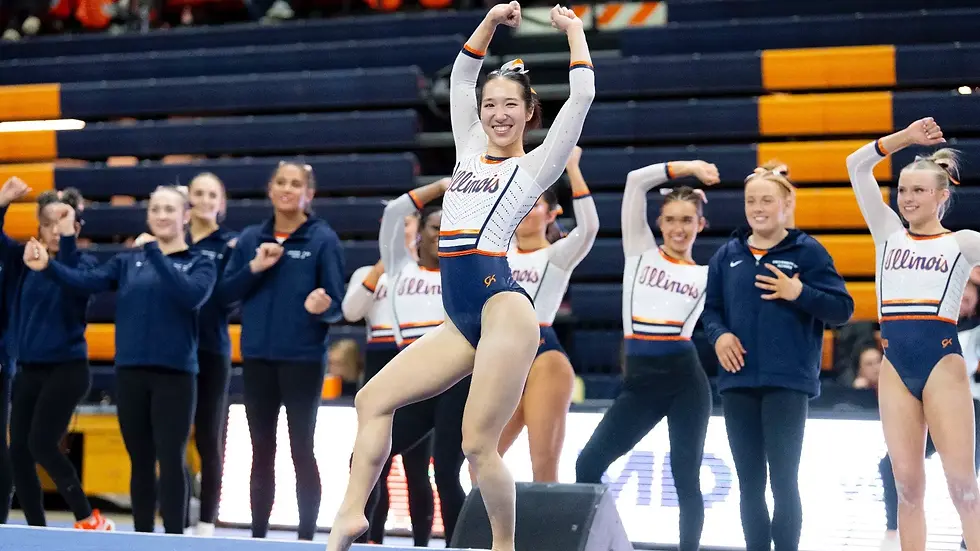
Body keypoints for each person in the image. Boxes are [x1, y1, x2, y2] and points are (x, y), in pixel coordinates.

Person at [326, 3, 594, 550]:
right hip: (462, 317)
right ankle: (352, 513)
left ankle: (502, 544)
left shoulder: (538, 165)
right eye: (490, 105)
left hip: (504, 309)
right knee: (371, 400)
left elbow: (583, 96)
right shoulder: (468, 147)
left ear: (529, 114)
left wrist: (573, 33)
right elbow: (465, 70)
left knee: (477, 443)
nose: (497, 113)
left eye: (509, 106)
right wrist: (491, 22)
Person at [24, 185, 217, 534]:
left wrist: (156, 254)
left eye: (170, 210)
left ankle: (175, 538)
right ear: (148, 215)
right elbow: (86, 282)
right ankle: (142, 537)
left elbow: (190, 296)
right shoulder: (129, 261)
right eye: (156, 209)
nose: (161, 215)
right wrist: (48, 267)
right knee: (140, 461)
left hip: (175, 376)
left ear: (186, 216)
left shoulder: (199, 262)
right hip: (130, 373)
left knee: (171, 460)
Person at [701, 161, 854, 551]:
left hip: (788, 382)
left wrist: (797, 292)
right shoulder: (727, 254)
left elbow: (842, 308)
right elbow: (711, 311)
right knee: (750, 483)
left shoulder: (807, 251)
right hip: (737, 382)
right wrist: (719, 337)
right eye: (751, 200)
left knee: (784, 480)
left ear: (786, 205)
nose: (758, 207)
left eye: (767, 199)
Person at [847, 117, 980, 550]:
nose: (907, 198)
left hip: (943, 364)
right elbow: (855, 165)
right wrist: (904, 139)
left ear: (942, 196)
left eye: (919, 190)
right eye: (903, 189)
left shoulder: (962, 242)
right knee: (907, 490)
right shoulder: (886, 235)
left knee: (963, 488)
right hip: (895, 366)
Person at [575, 160, 719, 551]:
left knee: (686, 478)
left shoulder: (707, 275)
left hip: (686, 382)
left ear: (700, 225)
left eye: (688, 220)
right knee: (587, 465)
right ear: (659, 222)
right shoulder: (639, 251)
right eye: (671, 219)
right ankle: (610, 543)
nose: (678, 228)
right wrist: (689, 169)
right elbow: (635, 180)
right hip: (640, 384)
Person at [221, 161, 346, 541]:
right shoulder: (249, 240)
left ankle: (308, 539)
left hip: (304, 361)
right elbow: (225, 296)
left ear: (309, 193)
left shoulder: (323, 240)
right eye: (281, 182)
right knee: (260, 451)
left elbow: (340, 305)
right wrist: (254, 268)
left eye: (296, 183)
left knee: (301, 449)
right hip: (258, 358)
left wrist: (324, 306)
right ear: (270, 189)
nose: (288, 189)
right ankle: (259, 538)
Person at [1, 182, 114, 531]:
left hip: (67, 370)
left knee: (42, 443)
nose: (54, 229)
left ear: (77, 228)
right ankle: (36, 529)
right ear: (38, 225)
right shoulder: (24, 262)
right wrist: (3, 202)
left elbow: (77, 286)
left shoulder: (84, 263)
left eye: (63, 222)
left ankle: (86, 516)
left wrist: (63, 246)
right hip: (29, 370)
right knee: (18, 450)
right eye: (48, 223)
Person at [498, 145, 598, 482]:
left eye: (534, 205)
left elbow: (590, 229)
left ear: (551, 214)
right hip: (503, 357)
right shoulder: (497, 252)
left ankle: (541, 535)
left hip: (544, 357)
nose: (525, 211)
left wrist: (573, 168)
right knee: (479, 455)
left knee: (543, 466)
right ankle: (495, 533)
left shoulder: (557, 256)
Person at [343, 226, 435, 546]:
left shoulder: (428, 272)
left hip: (419, 364)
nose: (401, 233)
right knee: (371, 461)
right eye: (396, 225)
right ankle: (371, 539)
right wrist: (380, 269)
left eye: (408, 226)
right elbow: (351, 311)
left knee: (417, 465)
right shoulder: (368, 273)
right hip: (378, 362)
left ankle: (422, 542)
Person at [878, 285, 980, 551]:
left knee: (965, 482)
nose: (962, 302)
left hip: (972, 401)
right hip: (926, 396)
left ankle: (967, 540)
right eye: (959, 296)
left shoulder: (976, 329)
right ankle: (892, 527)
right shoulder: (927, 322)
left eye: (968, 298)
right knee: (899, 473)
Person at [184, 173, 237, 536]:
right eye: (198, 193)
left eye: (211, 194)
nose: (204, 200)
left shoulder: (228, 247)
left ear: (222, 203)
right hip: (173, 352)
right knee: (171, 439)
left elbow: (226, 299)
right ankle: (178, 509)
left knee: (207, 436)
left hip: (210, 351)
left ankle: (206, 521)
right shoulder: (172, 242)